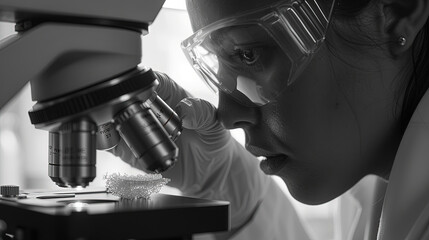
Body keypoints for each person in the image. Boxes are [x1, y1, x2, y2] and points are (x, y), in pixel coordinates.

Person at [111, 0, 429, 239]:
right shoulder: (372, 189)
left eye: (249, 55)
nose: (227, 115)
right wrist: (227, 184)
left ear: (396, 12)